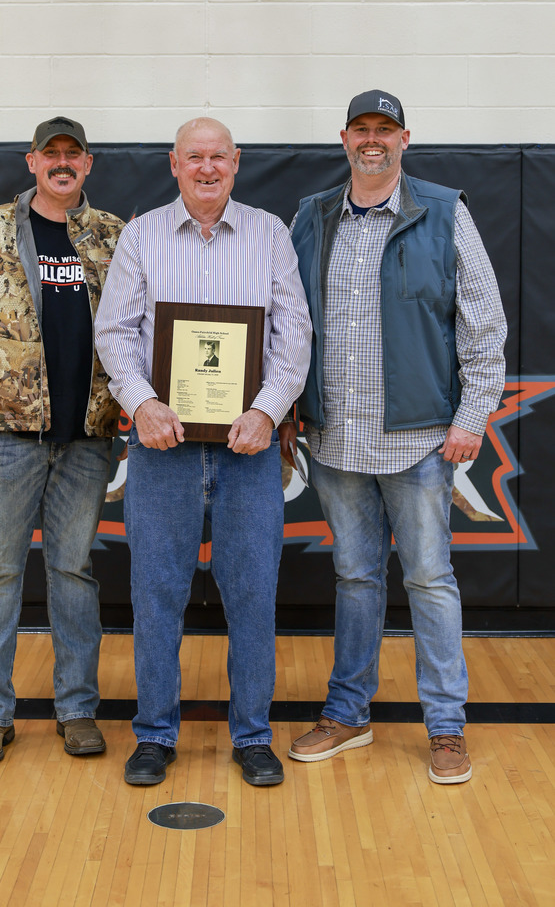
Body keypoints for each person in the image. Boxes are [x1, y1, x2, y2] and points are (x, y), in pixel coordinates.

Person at [283, 90, 506, 784]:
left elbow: (483, 325)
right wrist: (289, 403)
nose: (371, 140)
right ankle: (348, 714)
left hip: (415, 442)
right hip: (334, 441)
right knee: (354, 577)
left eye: (384, 130)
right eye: (360, 129)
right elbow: (286, 321)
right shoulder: (312, 216)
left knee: (429, 580)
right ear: (343, 138)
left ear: (404, 139)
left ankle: (445, 729)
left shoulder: (443, 211)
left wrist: (471, 418)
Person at [95, 117, 312, 787]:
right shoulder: (142, 235)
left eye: (219, 156)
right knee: (156, 594)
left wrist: (264, 410)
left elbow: (293, 334)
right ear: (174, 164)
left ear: (237, 162)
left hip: (248, 450)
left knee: (253, 595)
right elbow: (115, 331)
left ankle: (251, 736)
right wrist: (141, 402)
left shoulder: (270, 233)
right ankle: (155, 734)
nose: (207, 167)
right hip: (164, 447)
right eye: (195, 157)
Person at [0, 116, 124, 763]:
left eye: (73, 154)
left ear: (88, 164)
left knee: (73, 572)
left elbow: (138, 330)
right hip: (6, 436)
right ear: (32, 161)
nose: (62, 163)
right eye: (51, 154)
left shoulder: (111, 236)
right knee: (0, 572)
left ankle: (77, 710)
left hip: (88, 438)